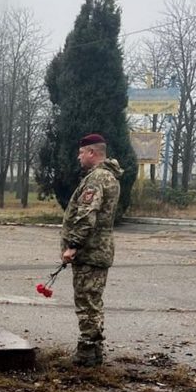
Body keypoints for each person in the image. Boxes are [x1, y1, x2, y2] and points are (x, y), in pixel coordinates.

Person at [59, 133, 123, 367]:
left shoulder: (96, 179)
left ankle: (87, 352)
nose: (78, 157)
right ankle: (93, 351)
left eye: (81, 153)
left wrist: (73, 245)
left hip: (90, 251)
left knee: (87, 301)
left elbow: (87, 214)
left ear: (92, 153)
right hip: (98, 250)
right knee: (92, 300)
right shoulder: (108, 177)